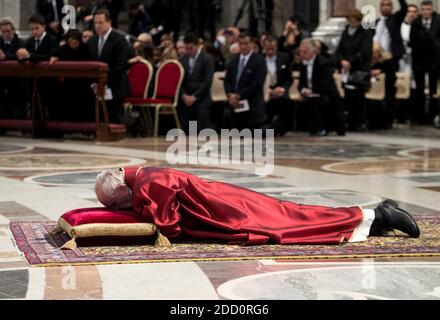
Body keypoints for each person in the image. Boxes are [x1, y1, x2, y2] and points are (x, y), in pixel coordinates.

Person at [94, 166, 420, 246]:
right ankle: (375, 220)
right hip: (229, 202)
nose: (121, 208)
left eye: (117, 203)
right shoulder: (144, 175)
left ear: (122, 189)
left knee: (294, 224)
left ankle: (379, 214)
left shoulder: (148, 186)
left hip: (232, 213)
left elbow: (169, 227)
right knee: (295, 215)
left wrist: (139, 215)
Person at [88, 9, 131, 126]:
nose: (97, 26)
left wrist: (104, 83)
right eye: (95, 23)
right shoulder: (92, 41)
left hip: (115, 86)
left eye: (100, 22)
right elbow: (90, 64)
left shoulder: (119, 40)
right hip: (97, 87)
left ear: (109, 22)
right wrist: (94, 83)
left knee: (114, 119)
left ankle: (134, 123)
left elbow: (120, 66)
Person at [335, 9, 373, 132]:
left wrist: (350, 61)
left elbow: (364, 52)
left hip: (359, 70)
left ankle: (359, 121)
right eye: (349, 20)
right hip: (346, 69)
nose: (351, 23)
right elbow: (339, 49)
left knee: (358, 96)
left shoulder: (366, 33)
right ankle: (349, 121)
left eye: (354, 20)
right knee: (348, 95)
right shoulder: (346, 32)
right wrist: (342, 60)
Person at [299, 39, 345, 136]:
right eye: (300, 51)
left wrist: (312, 91)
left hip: (326, 93)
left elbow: (325, 84)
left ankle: (323, 128)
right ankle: (313, 128)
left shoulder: (323, 63)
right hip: (312, 92)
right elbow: (301, 83)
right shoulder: (302, 64)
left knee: (319, 101)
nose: (301, 54)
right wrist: (304, 90)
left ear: (312, 51)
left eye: (304, 51)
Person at [224, 32, 267, 131]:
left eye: (246, 43)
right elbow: (227, 80)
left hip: (252, 106)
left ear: (252, 44)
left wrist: (239, 95)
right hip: (235, 106)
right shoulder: (233, 61)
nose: (243, 46)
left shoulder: (259, 61)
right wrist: (230, 95)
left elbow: (257, 83)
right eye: (241, 44)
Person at [410, 0, 440, 125]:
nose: (426, 12)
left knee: (433, 90)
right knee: (419, 90)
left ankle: (432, 116)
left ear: (431, 10)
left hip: (434, 61)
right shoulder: (416, 23)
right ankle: (420, 117)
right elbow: (413, 40)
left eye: (428, 9)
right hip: (419, 60)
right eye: (424, 9)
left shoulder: (438, 21)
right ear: (421, 10)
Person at [178, 32, 215, 134]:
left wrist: (194, 97)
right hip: (186, 100)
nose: (188, 51)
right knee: (186, 131)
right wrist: (184, 95)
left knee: (202, 131)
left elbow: (207, 81)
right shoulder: (182, 59)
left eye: (190, 48)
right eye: (186, 48)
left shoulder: (207, 59)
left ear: (197, 45)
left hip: (201, 98)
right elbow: (179, 82)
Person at [263, 36, 293, 136]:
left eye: (273, 48)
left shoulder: (284, 58)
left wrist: (282, 89)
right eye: (268, 49)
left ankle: (281, 128)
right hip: (266, 91)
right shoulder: (259, 59)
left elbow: (289, 78)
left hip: (281, 92)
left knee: (287, 104)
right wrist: (269, 91)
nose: (270, 51)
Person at [0, 19, 27, 120]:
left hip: (17, 81)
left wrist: (5, 56)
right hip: (2, 80)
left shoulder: (21, 42)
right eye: (3, 31)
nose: (6, 34)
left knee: (17, 110)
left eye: (8, 31)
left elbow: (20, 56)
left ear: (13, 30)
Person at [373, 0, 408, 71]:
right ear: (380, 8)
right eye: (383, 5)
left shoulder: (396, 19)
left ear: (392, 7)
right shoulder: (376, 22)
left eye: (388, 5)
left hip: (392, 57)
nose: (386, 7)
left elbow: (404, 8)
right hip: (378, 58)